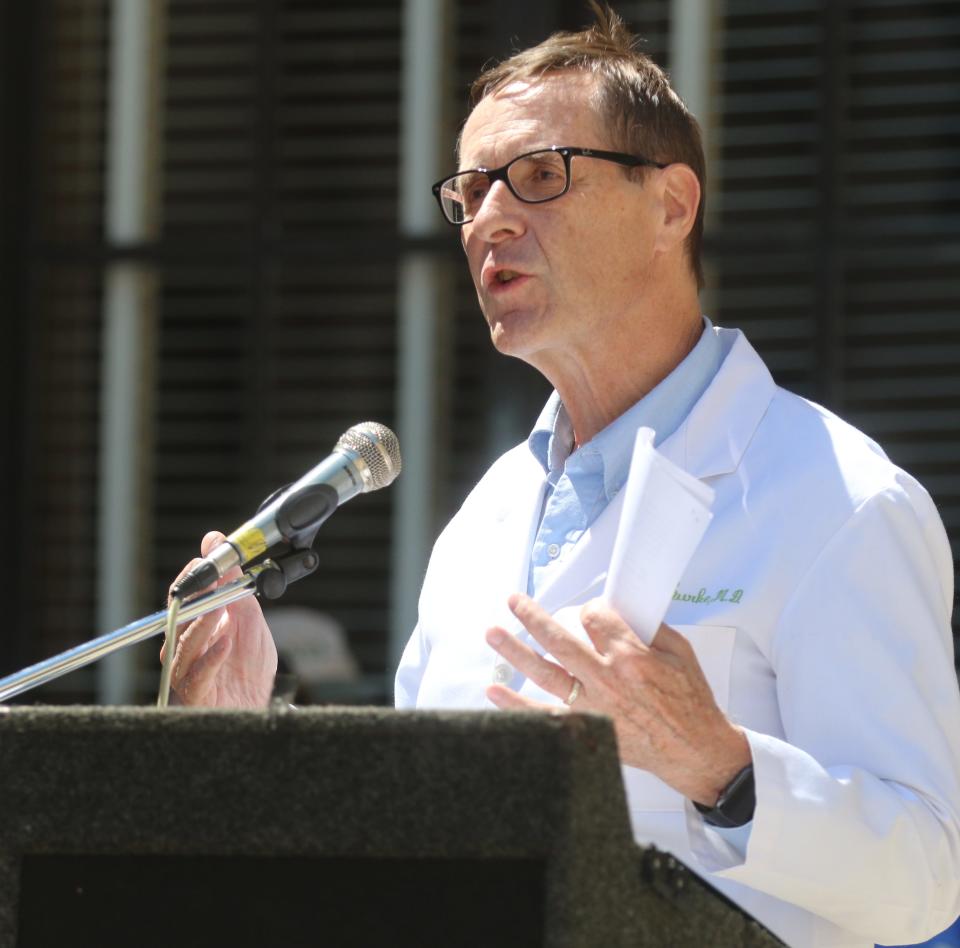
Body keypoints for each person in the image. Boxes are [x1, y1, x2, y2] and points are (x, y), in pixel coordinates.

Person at [166, 5, 960, 946]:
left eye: (539, 177)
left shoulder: (839, 498)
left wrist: (720, 766)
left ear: (671, 205)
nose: (488, 218)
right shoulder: (482, 521)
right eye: (469, 191)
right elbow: (415, 849)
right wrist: (234, 748)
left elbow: (927, 876)